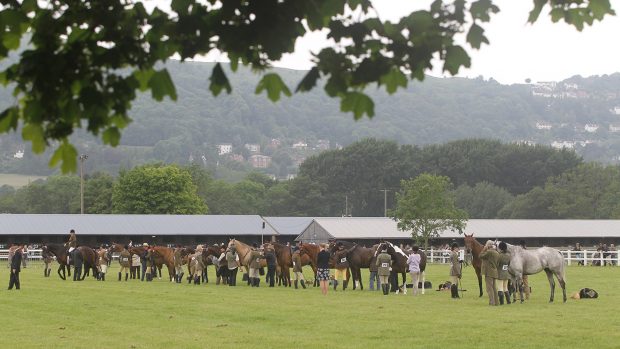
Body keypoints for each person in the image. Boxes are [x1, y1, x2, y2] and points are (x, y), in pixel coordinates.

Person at [479, 241, 500, 306]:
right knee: (494, 288)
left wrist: (484, 249)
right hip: (494, 271)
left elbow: (480, 256)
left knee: (489, 288)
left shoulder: (489, 252)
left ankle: (492, 302)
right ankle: (496, 302)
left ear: (488, 245)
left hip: (489, 272)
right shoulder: (496, 252)